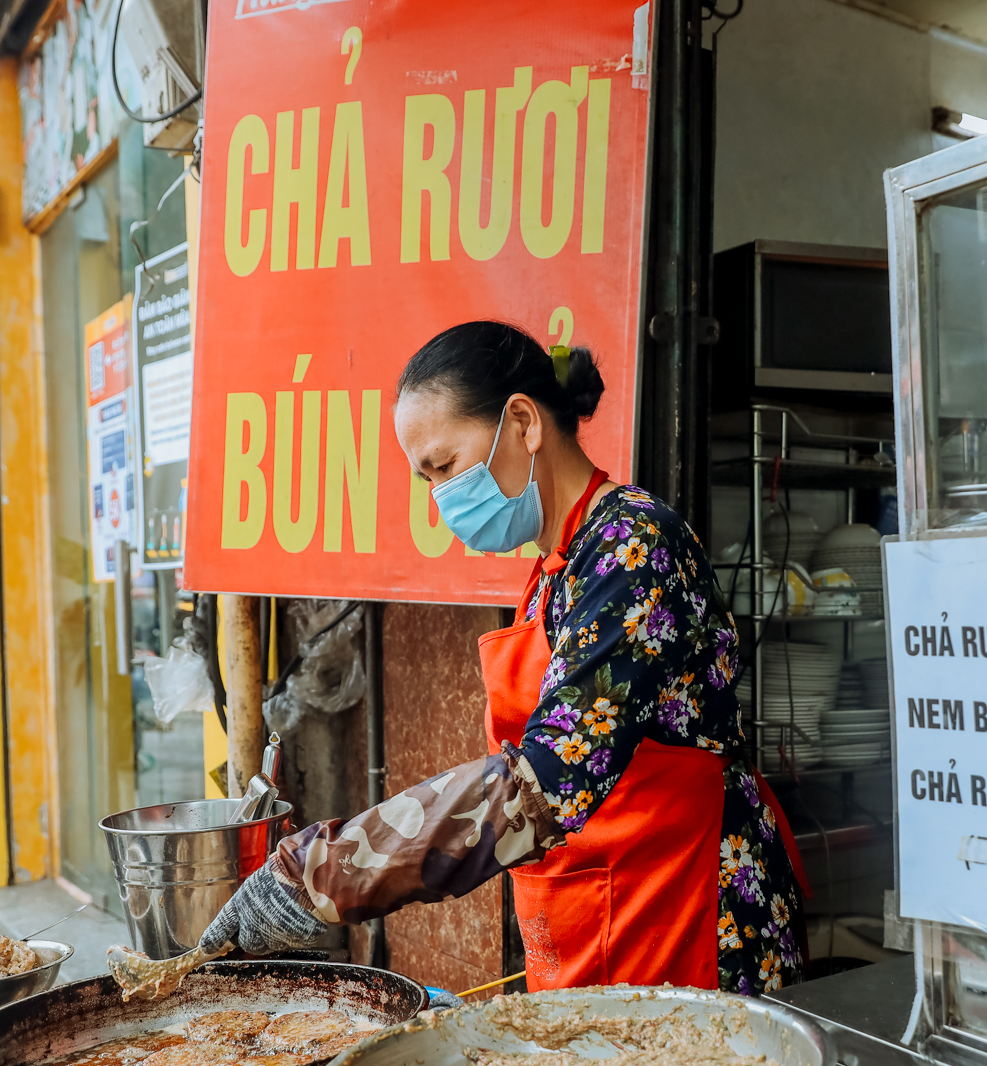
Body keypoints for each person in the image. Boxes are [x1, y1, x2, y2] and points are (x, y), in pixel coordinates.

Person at [202, 322, 808, 994]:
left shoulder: (633, 548)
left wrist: (321, 870)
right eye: (425, 477)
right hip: (605, 908)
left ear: (522, 421)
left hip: (691, 920)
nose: (440, 500)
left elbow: (544, 778)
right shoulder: (554, 568)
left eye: (445, 466)